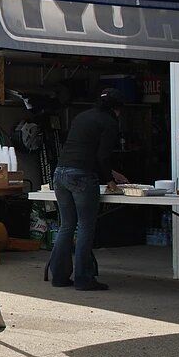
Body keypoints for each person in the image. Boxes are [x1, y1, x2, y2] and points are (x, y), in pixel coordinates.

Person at [46, 87, 123, 291]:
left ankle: (59, 276)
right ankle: (83, 278)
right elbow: (102, 156)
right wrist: (111, 180)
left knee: (67, 225)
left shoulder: (82, 117)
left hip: (60, 173)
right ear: (117, 109)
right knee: (86, 226)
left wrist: (111, 174)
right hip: (82, 175)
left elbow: (83, 147)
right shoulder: (110, 122)